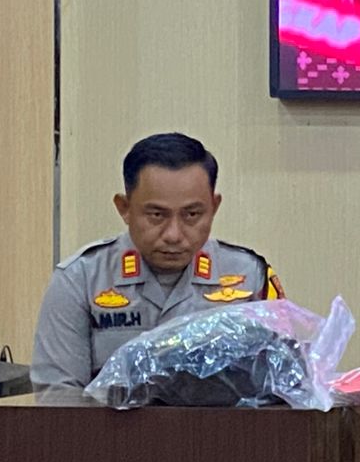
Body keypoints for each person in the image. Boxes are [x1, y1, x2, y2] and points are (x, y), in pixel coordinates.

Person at [31, 133, 281, 389]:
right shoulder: (81, 280)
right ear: (124, 208)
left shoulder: (250, 276)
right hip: (108, 417)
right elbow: (56, 395)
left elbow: (279, 382)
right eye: (157, 215)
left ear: (214, 207)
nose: (173, 234)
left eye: (191, 215)